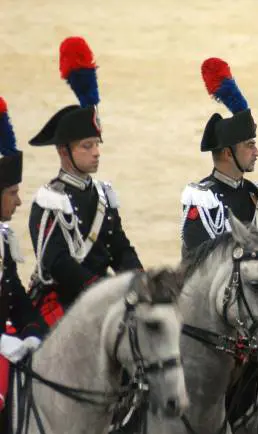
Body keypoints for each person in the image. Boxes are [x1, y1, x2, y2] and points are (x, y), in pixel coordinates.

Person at [28, 36, 142, 326]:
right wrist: (100, 288)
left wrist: (142, 281)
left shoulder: (103, 195)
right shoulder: (49, 200)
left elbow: (119, 248)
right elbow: (56, 263)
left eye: (97, 144)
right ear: (63, 150)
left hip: (102, 298)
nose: (96, 153)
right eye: (87, 146)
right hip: (63, 301)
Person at [181, 58, 258, 298]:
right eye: (250, 146)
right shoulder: (202, 199)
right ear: (228, 152)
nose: (257, 152)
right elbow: (200, 262)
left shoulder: (257, 195)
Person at [0, 97, 47, 412]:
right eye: (12, 193)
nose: (18, 203)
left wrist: (34, 332)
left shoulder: (2, 240)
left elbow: (14, 293)